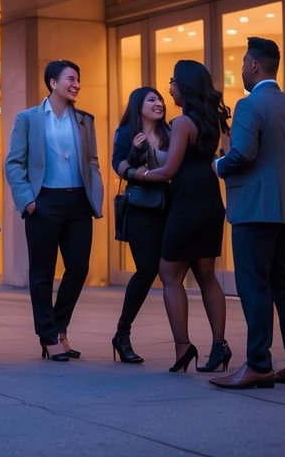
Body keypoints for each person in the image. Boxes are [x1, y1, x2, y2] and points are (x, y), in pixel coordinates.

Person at [210, 37, 285, 390]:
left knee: (254, 286)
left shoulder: (249, 105)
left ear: (254, 66)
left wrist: (218, 165)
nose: (241, 70)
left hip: (254, 210)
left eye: (242, 64)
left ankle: (258, 364)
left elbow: (242, 154)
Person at [132, 62, 230, 374]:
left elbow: (169, 170)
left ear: (184, 86)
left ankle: (183, 348)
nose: (169, 86)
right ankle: (219, 345)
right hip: (210, 196)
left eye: (173, 81)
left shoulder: (183, 122)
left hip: (187, 199)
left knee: (169, 273)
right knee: (206, 274)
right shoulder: (214, 120)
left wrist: (140, 174)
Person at [5, 59, 104, 362]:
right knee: (42, 272)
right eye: (70, 79)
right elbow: (14, 163)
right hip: (44, 202)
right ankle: (48, 337)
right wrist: (28, 201)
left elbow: (92, 161)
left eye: (78, 79)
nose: (76, 84)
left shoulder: (85, 120)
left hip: (78, 204)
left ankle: (59, 327)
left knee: (78, 268)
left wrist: (94, 195)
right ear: (53, 83)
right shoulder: (29, 118)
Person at [109, 87, 172, 364]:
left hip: (170, 207)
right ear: (139, 105)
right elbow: (118, 165)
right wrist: (135, 161)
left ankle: (183, 341)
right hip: (140, 208)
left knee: (171, 271)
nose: (159, 103)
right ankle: (122, 333)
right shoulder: (126, 133)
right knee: (146, 270)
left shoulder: (170, 132)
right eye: (152, 99)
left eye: (160, 99)